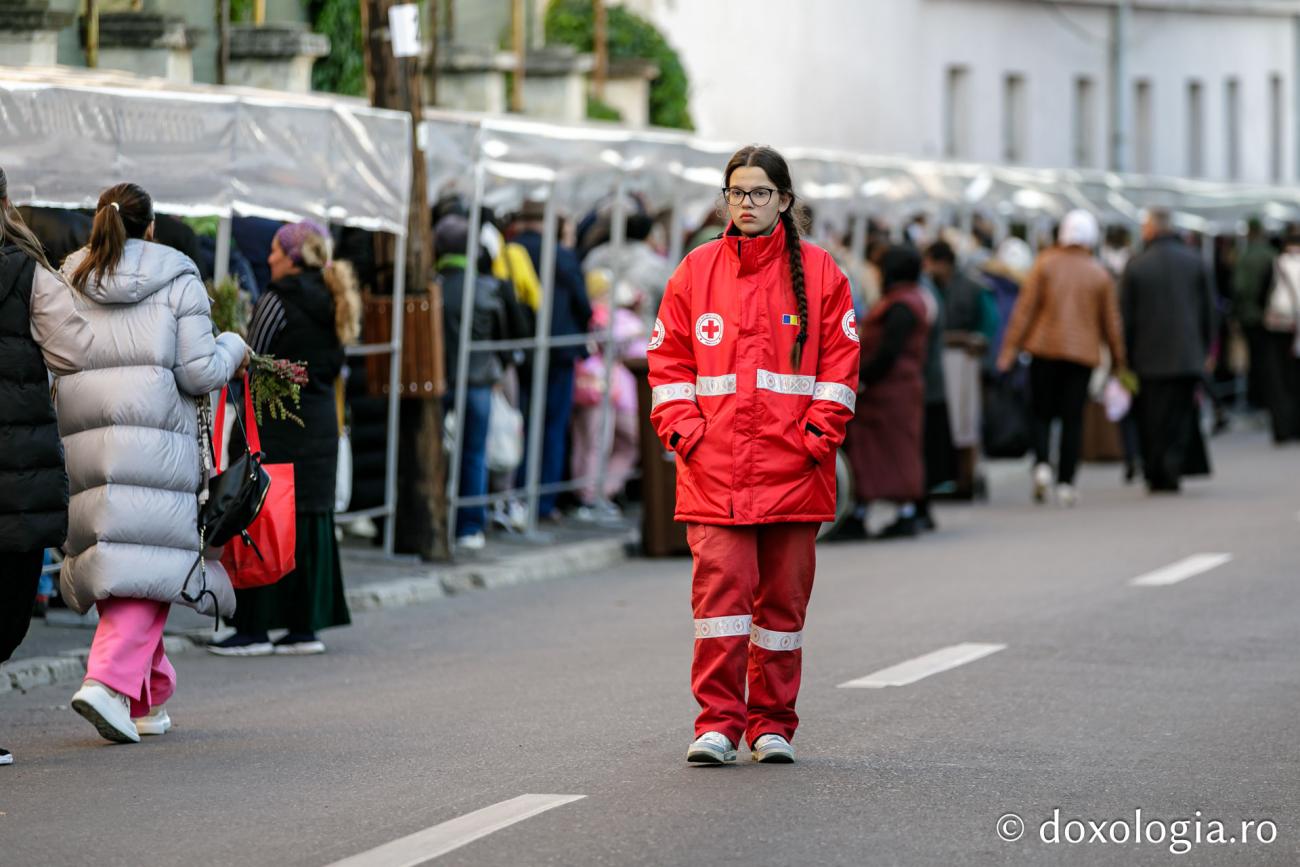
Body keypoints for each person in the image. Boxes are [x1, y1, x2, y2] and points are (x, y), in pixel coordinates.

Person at [648, 145, 859, 765]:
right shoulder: (695, 270)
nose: (746, 203)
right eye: (736, 192)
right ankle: (717, 725)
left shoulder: (822, 273)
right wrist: (687, 434)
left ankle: (772, 726)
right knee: (719, 607)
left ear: (784, 200)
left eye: (760, 192)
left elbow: (841, 370)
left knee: (781, 612)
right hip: (714, 472)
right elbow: (668, 363)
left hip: (795, 471)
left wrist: (815, 439)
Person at [57, 182, 248, 743]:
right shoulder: (179, 278)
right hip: (156, 443)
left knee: (124, 556)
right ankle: (107, 683)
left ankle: (147, 694)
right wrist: (234, 347)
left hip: (85, 440)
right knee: (147, 561)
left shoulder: (71, 277)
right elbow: (199, 371)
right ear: (152, 228)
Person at [210, 220, 359, 656]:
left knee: (261, 515)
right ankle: (303, 629)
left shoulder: (277, 299)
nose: (269, 257)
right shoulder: (333, 297)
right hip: (320, 425)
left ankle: (253, 629)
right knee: (309, 520)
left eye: (276, 250)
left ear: (293, 258)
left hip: (276, 424)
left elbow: (252, 359)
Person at [0, 168, 94, 765]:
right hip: (17, 466)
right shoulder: (28, 272)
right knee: (10, 603)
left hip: (17, 465)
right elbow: (74, 350)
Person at [997, 210, 1126, 506]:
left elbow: (1024, 311)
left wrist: (1009, 350)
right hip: (1082, 354)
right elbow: (1111, 323)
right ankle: (1066, 481)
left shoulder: (1045, 264)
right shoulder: (1098, 273)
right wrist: (1119, 361)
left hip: (1043, 349)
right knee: (1073, 419)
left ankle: (1042, 464)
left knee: (1040, 412)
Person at [431, 214, 516, 550]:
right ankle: (469, 527)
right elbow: (505, 337)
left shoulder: (432, 288)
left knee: (434, 451)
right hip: (479, 380)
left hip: (438, 381)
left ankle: (435, 521)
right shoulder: (488, 287)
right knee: (474, 454)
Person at [1120, 209, 1215, 492]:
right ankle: (1173, 466)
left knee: (1151, 416)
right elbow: (1210, 311)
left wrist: (1126, 355)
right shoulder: (1195, 261)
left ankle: (1156, 470)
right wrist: (1207, 349)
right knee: (1181, 415)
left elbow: (1126, 317)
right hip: (1187, 354)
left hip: (1148, 356)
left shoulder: (1137, 265)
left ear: (1150, 229)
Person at [510, 200, 594, 521]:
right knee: (552, 427)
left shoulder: (511, 250)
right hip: (559, 350)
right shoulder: (560, 254)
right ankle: (544, 501)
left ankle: (518, 494)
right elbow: (583, 304)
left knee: (523, 422)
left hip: (521, 350)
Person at [842, 246, 931, 539]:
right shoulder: (911, 300)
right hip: (896, 391)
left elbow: (888, 353)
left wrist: (861, 378)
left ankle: (893, 512)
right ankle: (890, 511)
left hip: (889, 393)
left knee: (884, 454)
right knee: (892, 453)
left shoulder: (901, 305)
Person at [1261, 230, 1300, 443]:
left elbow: (1262, 294)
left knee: (1279, 379)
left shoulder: (1277, 263)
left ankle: (1283, 427)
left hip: (1279, 327)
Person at [1233, 219, 1275, 412]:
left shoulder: (1246, 256)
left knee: (1254, 358)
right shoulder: (1271, 254)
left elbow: (1239, 287)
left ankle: (1256, 398)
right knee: (1268, 359)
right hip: (1271, 316)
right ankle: (1268, 397)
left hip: (1250, 315)